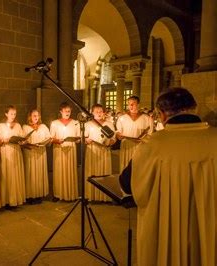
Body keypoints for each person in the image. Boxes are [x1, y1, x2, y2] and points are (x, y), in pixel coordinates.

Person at [119, 87, 217, 265]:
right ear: (195, 108)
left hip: (166, 225)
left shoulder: (152, 145)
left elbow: (127, 183)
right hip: (210, 225)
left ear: (162, 115)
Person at [0, 105, 26, 209]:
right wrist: (5, 140)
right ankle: (6, 200)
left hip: (16, 151)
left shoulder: (17, 125)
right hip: (6, 151)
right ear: (6, 114)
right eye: (11, 113)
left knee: (15, 174)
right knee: (7, 174)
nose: (13, 116)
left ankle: (15, 199)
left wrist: (22, 140)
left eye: (14, 114)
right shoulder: (0, 126)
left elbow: (22, 137)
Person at [50, 102, 80, 202]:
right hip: (59, 149)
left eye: (69, 111)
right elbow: (51, 138)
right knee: (59, 170)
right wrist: (57, 140)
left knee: (70, 170)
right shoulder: (54, 123)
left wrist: (76, 139)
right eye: (65, 111)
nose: (67, 113)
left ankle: (71, 193)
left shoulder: (76, 123)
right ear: (60, 111)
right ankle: (58, 194)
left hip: (71, 149)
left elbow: (78, 137)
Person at [84, 104, 115, 201]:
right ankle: (91, 195)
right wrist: (86, 140)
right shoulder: (88, 124)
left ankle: (105, 196)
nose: (98, 113)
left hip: (104, 150)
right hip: (92, 150)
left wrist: (110, 142)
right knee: (92, 171)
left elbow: (113, 138)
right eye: (96, 111)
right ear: (92, 113)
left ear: (103, 112)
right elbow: (84, 137)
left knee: (104, 172)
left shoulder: (109, 124)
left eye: (100, 111)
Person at [116, 96, 153, 172]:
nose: (131, 106)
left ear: (138, 104)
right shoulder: (122, 118)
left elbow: (150, 135)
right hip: (126, 146)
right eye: (129, 104)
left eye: (133, 104)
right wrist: (118, 135)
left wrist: (143, 139)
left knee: (139, 169)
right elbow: (118, 132)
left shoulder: (147, 118)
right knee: (126, 167)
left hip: (140, 147)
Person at [22, 109, 51, 204]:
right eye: (34, 115)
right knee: (31, 173)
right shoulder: (25, 127)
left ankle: (39, 194)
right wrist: (30, 144)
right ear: (30, 116)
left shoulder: (43, 126)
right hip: (30, 153)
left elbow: (49, 138)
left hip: (41, 152)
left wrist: (45, 142)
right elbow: (22, 141)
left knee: (39, 172)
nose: (36, 117)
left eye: (37, 115)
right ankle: (30, 196)